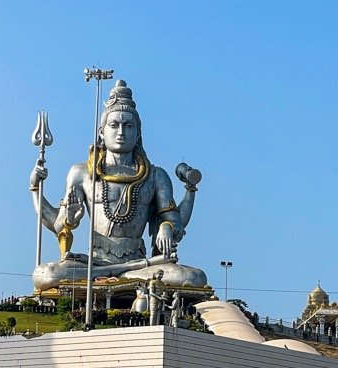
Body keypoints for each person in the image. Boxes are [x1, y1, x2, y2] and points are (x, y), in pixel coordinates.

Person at [28, 79, 207, 291]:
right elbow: (57, 225)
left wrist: (166, 227)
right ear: (101, 132)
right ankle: (120, 275)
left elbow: (175, 222)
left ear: (138, 133)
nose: (121, 132)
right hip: (94, 262)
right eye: (114, 125)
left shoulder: (155, 176)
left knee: (195, 277)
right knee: (45, 274)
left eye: (128, 126)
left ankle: (123, 274)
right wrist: (39, 192)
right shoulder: (82, 173)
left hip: (141, 264)